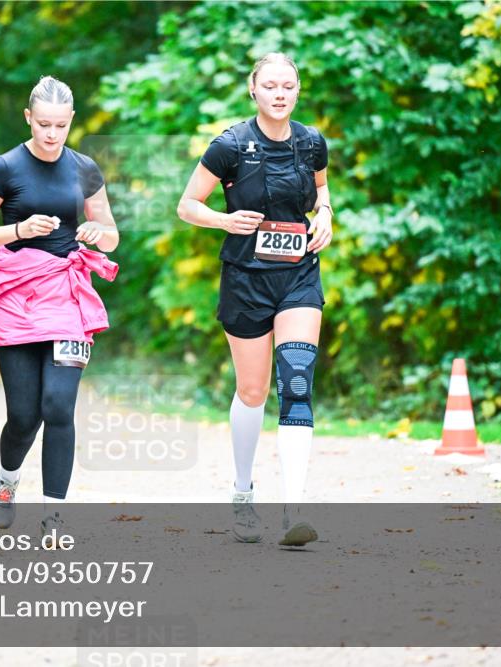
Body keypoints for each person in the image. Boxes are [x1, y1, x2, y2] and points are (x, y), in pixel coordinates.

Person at [177, 53, 333, 546]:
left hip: (298, 276)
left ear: (298, 90)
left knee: (297, 381)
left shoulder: (312, 142)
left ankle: (294, 509)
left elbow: (322, 191)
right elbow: (187, 205)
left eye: (288, 85)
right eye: (270, 86)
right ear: (254, 90)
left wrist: (326, 214)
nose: (279, 94)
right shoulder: (230, 145)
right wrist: (224, 220)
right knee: (252, 392)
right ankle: (243, 492)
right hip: (246, 278)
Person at [0, 76, 120, 536]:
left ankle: (53, 517)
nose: (52, 134)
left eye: (61, 126)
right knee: (24, 415)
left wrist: (98, 233)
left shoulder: (85, 169)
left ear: (72, 121)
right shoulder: (5, 168)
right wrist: (19, 230)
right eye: (44, 124)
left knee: (59, 406)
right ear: (28, 118)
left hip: (68, 295)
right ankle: (6, 481)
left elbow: (110, 234)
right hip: (15, 297)